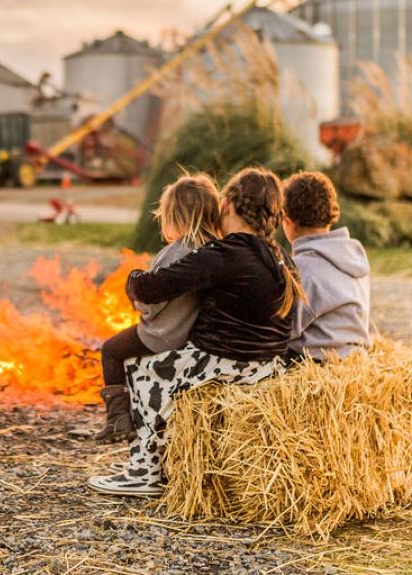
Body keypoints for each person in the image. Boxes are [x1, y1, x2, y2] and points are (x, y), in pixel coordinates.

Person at [88, 167, 305, 496]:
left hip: (228, 360)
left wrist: (132, 277)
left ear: (228, 204)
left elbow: (151, 288)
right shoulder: (279, 255)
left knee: (144, 368)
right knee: (160, 363)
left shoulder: (225, 254)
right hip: (268, 362)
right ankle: (165, 460)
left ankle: (145, 470)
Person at [94, 173, 221, 442]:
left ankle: (118, 419)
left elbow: (150, 305)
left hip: (163, 335)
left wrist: (138, 303)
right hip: (192, 336)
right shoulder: (216, 249)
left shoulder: (176, 252)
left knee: (111, 350)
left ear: (174, 216)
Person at [282, 171, 371, 362]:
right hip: (354, 357)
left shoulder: (302, 269)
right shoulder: (352, 256)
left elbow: (287, 329)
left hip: (318, 362)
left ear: (288, 222)